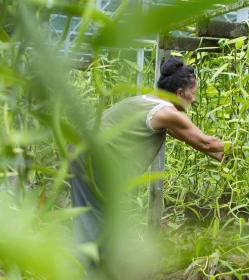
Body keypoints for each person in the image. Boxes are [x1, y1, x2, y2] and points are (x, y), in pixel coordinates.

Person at [70, 57, 225, 246]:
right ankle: (95, 270)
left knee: (91, 220)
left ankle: (88, 267)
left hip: (80, 149)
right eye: (193, 93)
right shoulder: (167, 112)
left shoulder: (149, 101)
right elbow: (207, 143)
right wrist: (238, 148)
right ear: (180, 93)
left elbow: (196, 143)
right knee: (102, 222)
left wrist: (224, 159)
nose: (194, 99)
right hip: (95, 159)